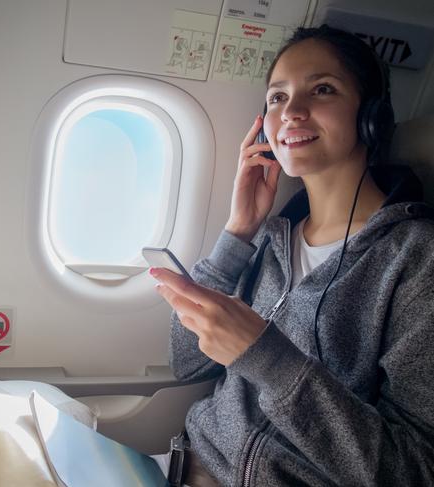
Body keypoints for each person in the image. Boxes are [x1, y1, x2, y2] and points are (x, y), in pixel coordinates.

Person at [150, 25, 434, 486]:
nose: (292, 113)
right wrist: (238, 232)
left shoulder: (416, 260)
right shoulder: (275, 237)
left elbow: (415, 471)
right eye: (278, 98)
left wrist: (268, 359)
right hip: (188, 465)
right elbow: (189, 363)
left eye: (322, 89)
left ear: (372, 118)